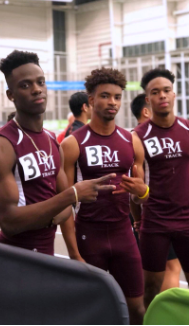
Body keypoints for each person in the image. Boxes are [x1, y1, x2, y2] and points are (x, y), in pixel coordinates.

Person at [0, 50, 116, 256]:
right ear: (11, 95)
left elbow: (66, 209)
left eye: (41, 82)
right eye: (25, 85)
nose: (37, 90)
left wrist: (61, 204)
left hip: (46, 255)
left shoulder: (51, 141)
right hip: (14, 257)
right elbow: (9, 221)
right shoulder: (0, 145)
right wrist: (71, 195)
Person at [61, 68, 148, 324]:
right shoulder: (72, 144)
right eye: (105, 96)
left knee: (137, 309)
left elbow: (140, 195)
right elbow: (63, 203)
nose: (112, 102)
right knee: (92, 311)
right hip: (89, 235)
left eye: (117, 97)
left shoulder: (131, 140)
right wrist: (73, 252)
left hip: (123, 233)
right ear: (90, 101)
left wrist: (142, 193)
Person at [133, 68, 189, 308]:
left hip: (187, 220)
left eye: (166, 90)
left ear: (174, 94)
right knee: (151, 291)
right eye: (155, 92)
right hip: (155, 222)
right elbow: (134, 187)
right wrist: (138, 220)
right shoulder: (137, 136)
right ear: (148, 100)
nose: (162, 96)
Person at [130, 93, 181, 292]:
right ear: (146, 111)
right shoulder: (141, 138)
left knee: (149, 268)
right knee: (171, 266)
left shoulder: (132, 137)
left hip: (144, 212)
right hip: (156, 212)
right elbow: (136, 183)